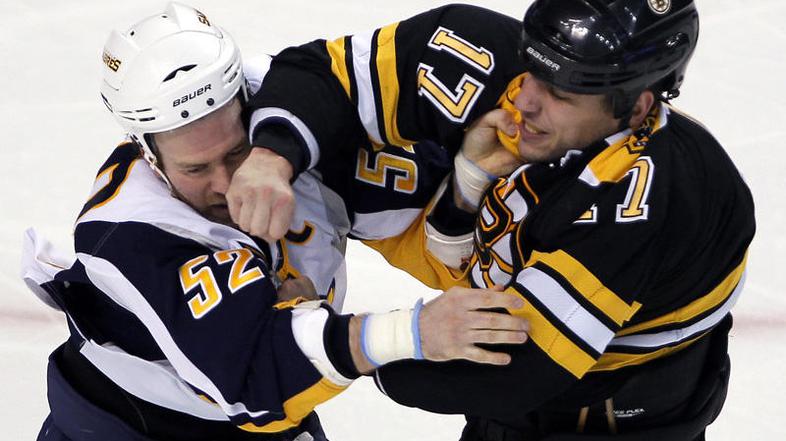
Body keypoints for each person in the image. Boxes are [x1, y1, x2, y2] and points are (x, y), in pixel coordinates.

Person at [230, 0, 756, 439]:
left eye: (560, 93)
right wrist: (271, 158)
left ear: (636, 110)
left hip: (616, 408)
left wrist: (347, 345)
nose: (525, 99)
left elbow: (509, 374)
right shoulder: (483, 53)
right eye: (533, 68)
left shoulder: (650, 201)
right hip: (530, 365)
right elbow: (316, 72)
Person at [21, 4, 530, 440]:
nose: (225, 183)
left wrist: (468, 180)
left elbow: (446, 246)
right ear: (148, 153)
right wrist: (412, 332)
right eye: (194, 169)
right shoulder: (128, 233)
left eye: (238, 151)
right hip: (129, 424)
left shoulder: (304, 125)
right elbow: (258, 379)